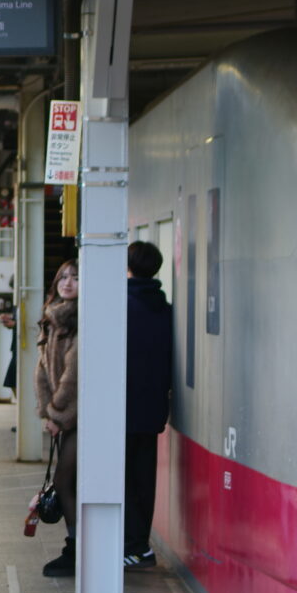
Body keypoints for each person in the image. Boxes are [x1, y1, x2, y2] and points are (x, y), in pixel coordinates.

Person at [124, 241, 174, 568]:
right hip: (154, 405)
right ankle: (140, 545)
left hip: (122, 406)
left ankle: (131, 545)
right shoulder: (165, 308)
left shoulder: (122, 305)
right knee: (144, 476)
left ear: (127, 266)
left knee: (122, 476)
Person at [35, 259, 79, 577]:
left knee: (65, 481)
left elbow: (74, 376)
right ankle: (76, 546)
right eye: (63, 276)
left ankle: (77, 549)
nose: (68, 282)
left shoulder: (84, 319)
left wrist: (56, 414)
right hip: (64, 417)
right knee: (67, 481)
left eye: (76, 277)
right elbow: (42, 370)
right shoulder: (53, 317)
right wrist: (47, 411)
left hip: (82, 418)